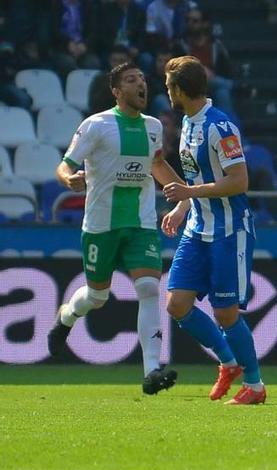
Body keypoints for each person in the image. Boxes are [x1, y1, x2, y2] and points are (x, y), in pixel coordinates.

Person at [47, 61, 182, 395]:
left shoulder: (153, 126)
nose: (141, 85)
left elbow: (157, 165)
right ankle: (66, 316)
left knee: (150, 290)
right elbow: (64, 165)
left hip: (141, 224)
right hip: (101, 225)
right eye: (132, 80)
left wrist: (185, 194)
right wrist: (70, 180)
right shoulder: (96, 125)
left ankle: (152, 370)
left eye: (143, 79)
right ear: (117, 92)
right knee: (97, 296)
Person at [160, 55, 265, 405]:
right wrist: (182, 205)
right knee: (177, 303)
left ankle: (255, 385)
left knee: (225, 313)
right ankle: (229, 362)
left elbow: (239, 181)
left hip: (229, 230)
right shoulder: (189, 123)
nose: (165, 92)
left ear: (180, 89)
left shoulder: (221, 127)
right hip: (197, 227)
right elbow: (196, 179)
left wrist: (189, 193)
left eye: (168, 86)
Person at [180, 8, 238, 119]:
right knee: (223, 86)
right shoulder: (180, 45)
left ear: (204, 24)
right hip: (190, 86)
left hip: (212, 86)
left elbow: (226, 70)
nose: (190, 24)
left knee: (222, 93)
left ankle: (226, 130)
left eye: (195, 21)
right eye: (188, 20)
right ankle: (236, 86)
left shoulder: (215, 45)